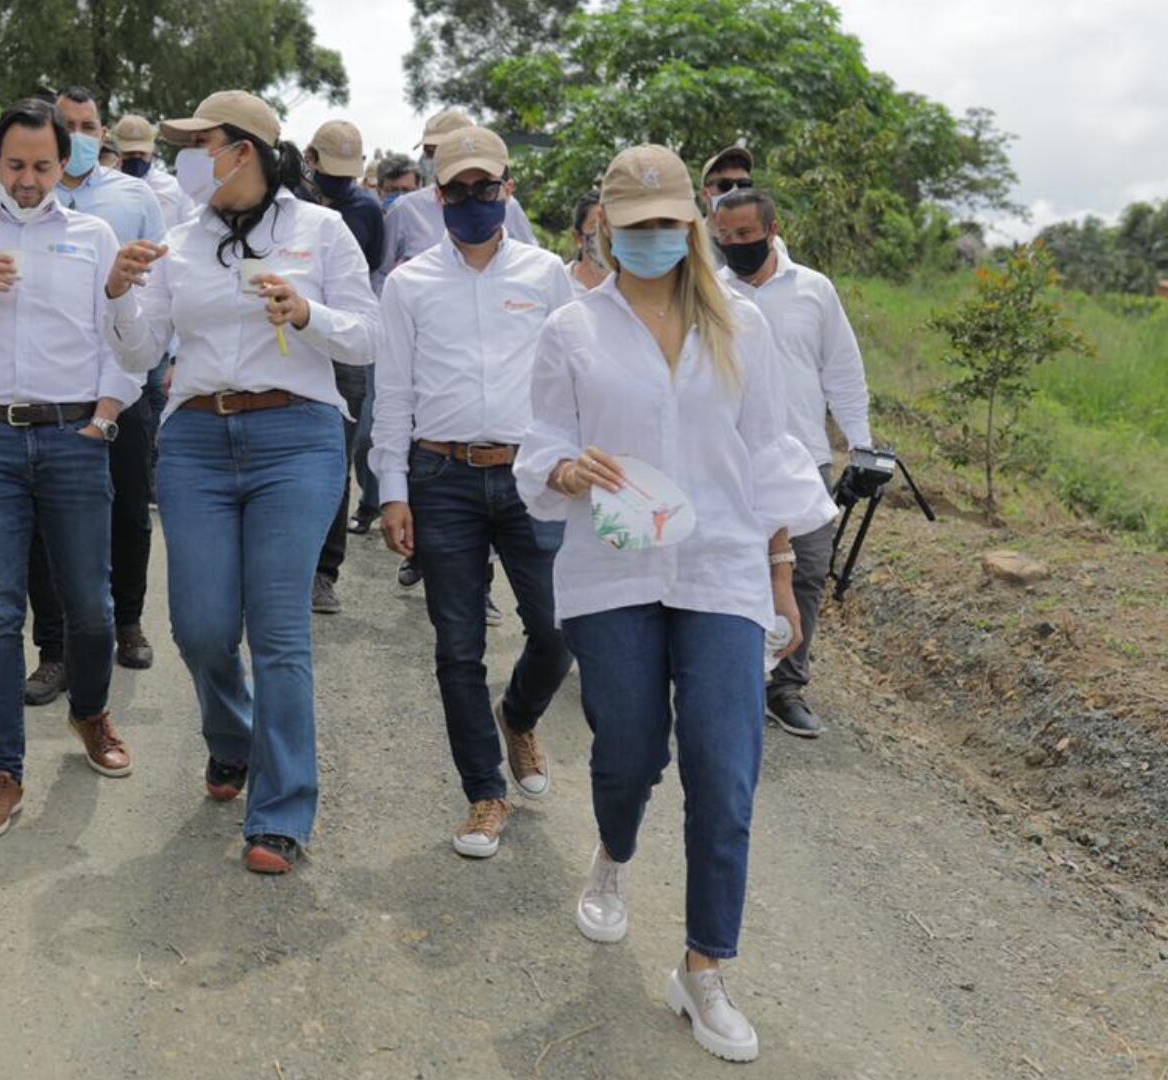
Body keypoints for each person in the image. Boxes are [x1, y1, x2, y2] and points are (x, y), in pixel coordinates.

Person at [514, 144, 833, 1063]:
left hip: (723, 566)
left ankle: (702, 970)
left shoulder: (742, 324)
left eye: (669, 223)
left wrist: (780, 571)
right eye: (636, 223)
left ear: (692, 223)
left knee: (725, 770)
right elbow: (541, 443)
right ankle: (613, 853)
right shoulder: (573, 329)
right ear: (605, 226)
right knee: (629, 750)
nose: (654, 238)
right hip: (615, 569)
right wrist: (565, 468)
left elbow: (767, 449)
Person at [106, 91, 379, 874]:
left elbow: (366, 338)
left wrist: (306, 313)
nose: (188, 156)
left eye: (203, 142)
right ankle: (232, 739)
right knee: (198, 625)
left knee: (278, 629)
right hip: (194, 439)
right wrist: (120, 293)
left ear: (248, 151)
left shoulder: (320, 231)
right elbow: (138, 354)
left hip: (296, 438)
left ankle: (282, 811)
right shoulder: (179, 240)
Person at [0, 98, 142, 840]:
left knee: (91, 607)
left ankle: (89, 713)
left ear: (64, 161)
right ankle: (2, 772)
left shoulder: (94, 234)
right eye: (15, 165)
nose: (28, 179)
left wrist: (105, 415)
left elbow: (123, 342)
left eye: (43, 165)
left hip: (73, 436)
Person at [373, 126, 575, 858]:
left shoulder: (546, 274)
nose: (470, 200)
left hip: (531, 475)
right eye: (455, 188)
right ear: (436, 193)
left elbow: (569, 381)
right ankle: (484, 794)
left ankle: (518, 715)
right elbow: (391, 392)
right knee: (457, 647)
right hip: (442, 477)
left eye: (483, 187)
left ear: (507, 189)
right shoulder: (410, 283)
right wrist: (392, 489)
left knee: (558, 630)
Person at [19, 88, 171, 703]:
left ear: (103, 133)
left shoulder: (135, 198)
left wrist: (162, 359)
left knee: (129, 504)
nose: (78, 134)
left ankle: (127, 620)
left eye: (88, 126)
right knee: (43, 523)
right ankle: (53, 651)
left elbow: (160, 285)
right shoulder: (27, 200)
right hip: (52, 387)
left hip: (126, 376)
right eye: (68, 125)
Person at [714, 189, 872, 739]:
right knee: (735, 567)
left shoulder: (814, 291)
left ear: (773, 228)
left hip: (803, 457)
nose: (736, 245)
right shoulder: (710, 293)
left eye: (745, 235)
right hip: (731, 458)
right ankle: (731, 681)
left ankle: (785, 686)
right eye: (725, 237)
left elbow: (843, 371)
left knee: (804, 571)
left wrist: (862, 443)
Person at [304, 119, 385, 614]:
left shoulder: (367, 210)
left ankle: (323, 572)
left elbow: (371, 269)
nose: (340, 181)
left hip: (344, 351)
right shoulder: (290, 201)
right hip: (293, 345)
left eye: (346, 174)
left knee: (335, 462)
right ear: (310, 158)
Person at [377, 109, 538, 291]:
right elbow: (382, 273)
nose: (435, 158)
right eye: (429, 152)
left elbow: (532, 264)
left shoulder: (505, 205)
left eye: (443, 148)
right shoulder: (405, 209)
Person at [114, 113, 195, 228]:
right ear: (117, 150)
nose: (136, 157)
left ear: (152, 150)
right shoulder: (104, 188)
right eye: (130, 153)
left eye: (142, 153)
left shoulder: (175, 189)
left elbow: (189, 230)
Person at [569, 192, 609, 292]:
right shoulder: (560, 283)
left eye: (611, 226)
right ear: (578, 237)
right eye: (596, 227)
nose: (606, 234)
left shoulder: (634, 287)